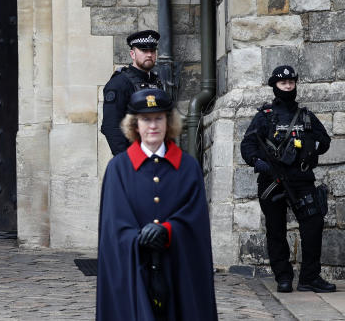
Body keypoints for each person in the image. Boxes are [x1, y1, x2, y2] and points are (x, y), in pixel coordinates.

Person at [97, 88, 216, 320]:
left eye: (159, 118)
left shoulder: (188, 167)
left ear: (168, 122)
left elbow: (196, 219)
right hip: (135, 271)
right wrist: (137, 237)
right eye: (146, 119)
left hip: (177, 267)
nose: (153, 126)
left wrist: (168, 230)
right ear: (135, 125)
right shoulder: (118, 168)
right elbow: (113, 225)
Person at [240, 65, 334, 293]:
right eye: (284, 84)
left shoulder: (305, 116)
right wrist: (257, 162)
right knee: (276, 229)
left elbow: (325, 141)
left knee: (313, 224)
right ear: (275, 86)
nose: (288, 86)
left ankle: (309, 277)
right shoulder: (265, 117)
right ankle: (283, 277)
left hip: (301, 179)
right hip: (272, 180)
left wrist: (310, 149)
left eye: (291, 83)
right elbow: (248, 145)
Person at [101, 30, 163, 156]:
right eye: (144, 51)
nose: (149, 55)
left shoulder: (156, 82)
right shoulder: (119, 83)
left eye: (152, 51)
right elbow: (111, 126)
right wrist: (126, 161)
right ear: (132, 54)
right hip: (133, 157)